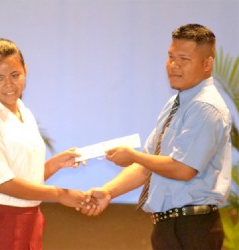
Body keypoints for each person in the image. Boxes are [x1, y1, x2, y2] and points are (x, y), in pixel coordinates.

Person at [81, 24, 232, 250]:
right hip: (170, 227)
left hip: (193, 228)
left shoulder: (206, 107)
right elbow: (149, 163)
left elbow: (183, 169)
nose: (174, 65)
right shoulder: (177, 103)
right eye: (171, 57)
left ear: (207, 64)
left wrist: (133, 156)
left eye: (184, 59)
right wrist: (108, 192)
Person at [0, 38, 95, 250]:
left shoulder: (24, 112)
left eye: (15, 75)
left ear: (25, 70)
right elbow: (4, 183)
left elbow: (26, 179)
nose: (9, 85)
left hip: (30, 222)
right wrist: (60, 195)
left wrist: (55, 164)